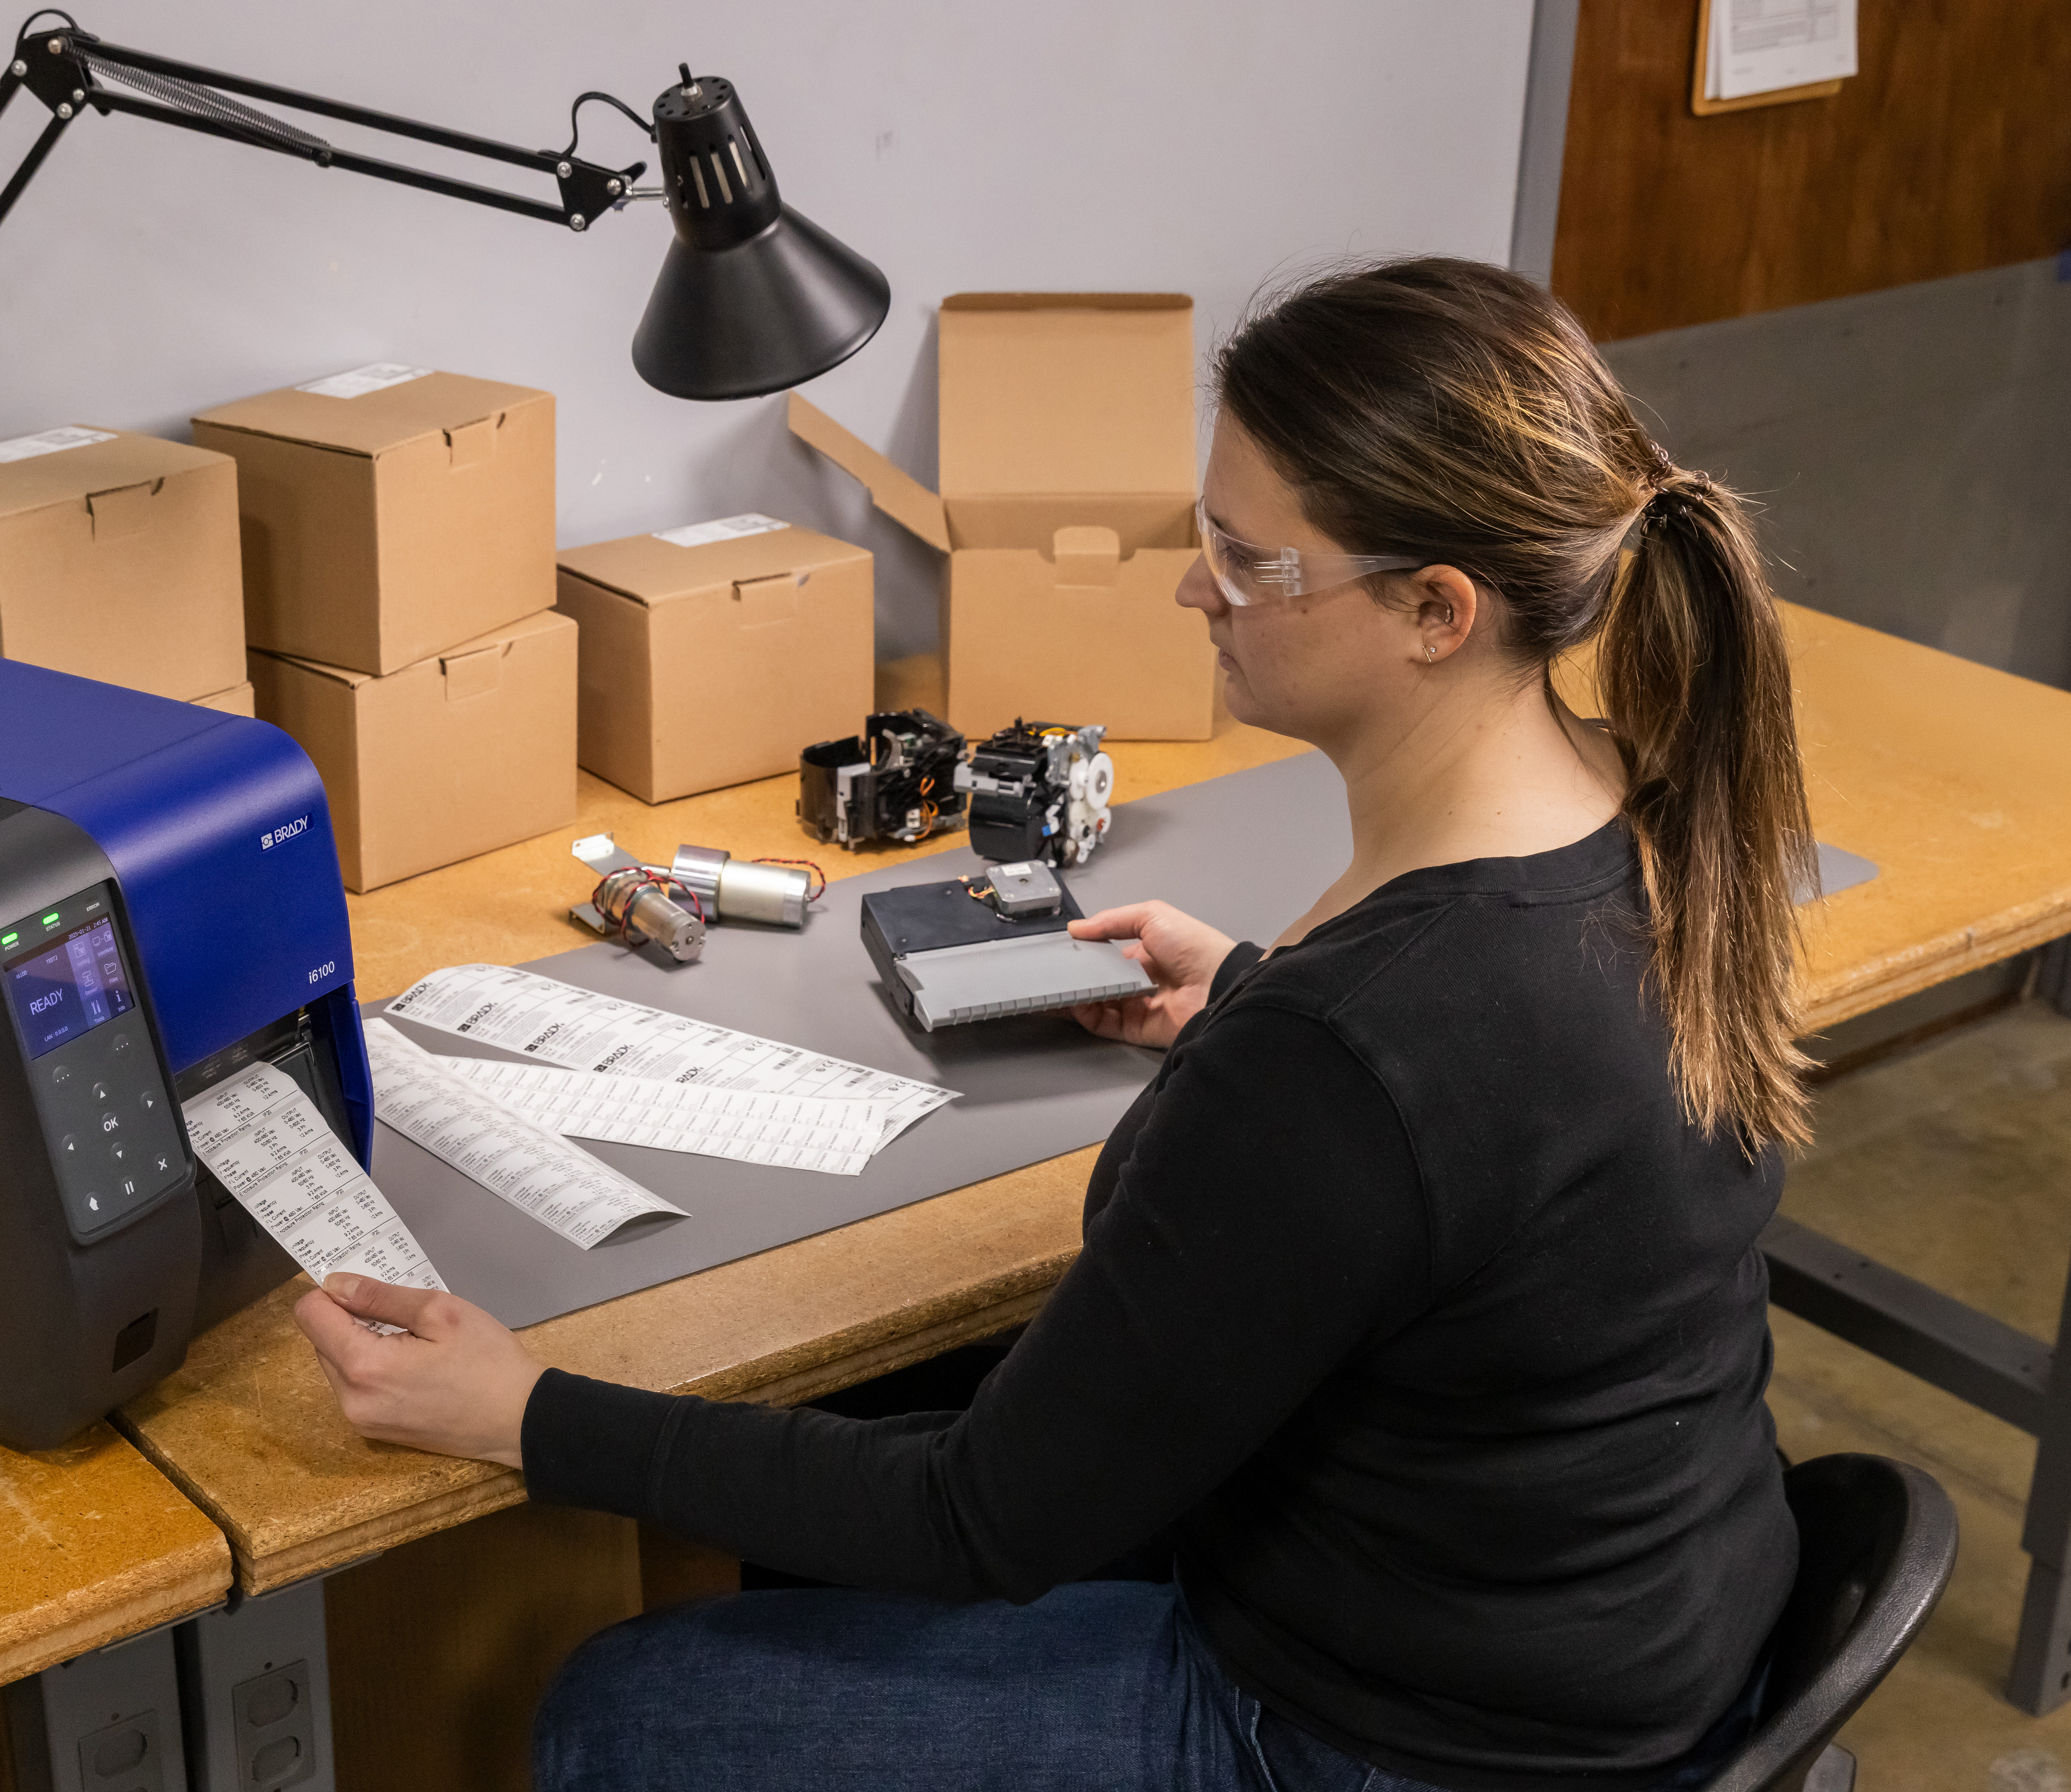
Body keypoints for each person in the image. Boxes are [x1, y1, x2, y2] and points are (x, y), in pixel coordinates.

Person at [290, 256, 1815, 1792]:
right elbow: (1496, 1127)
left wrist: (523, 1411)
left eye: (1244, 556)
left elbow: (976, 1518)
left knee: (621, 1708)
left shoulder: (1347, 1058)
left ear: (1435, 610)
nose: (1189, 586)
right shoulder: (1643, 814)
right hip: (1638, 1637)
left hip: (1392, 1737)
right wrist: (1240, 993)